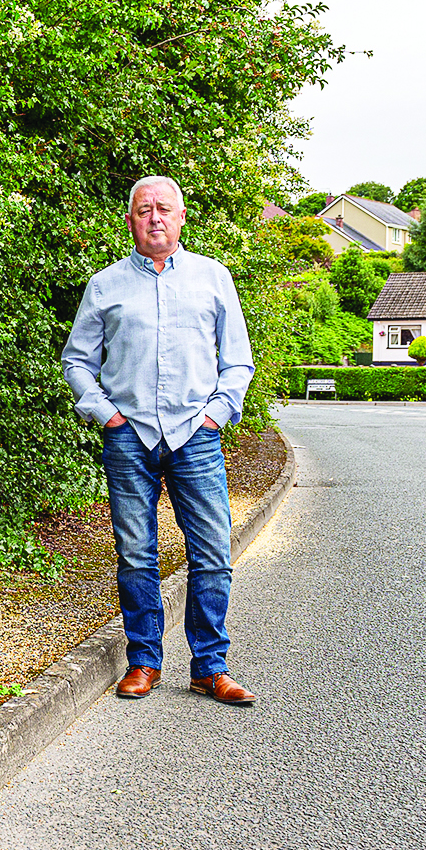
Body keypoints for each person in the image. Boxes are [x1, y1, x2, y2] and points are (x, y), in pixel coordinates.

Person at [61, 175, 257, 705]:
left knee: (213, 552)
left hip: (197, 434)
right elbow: (77, 360)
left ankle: (209, 667)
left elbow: (237, 361)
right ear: (130, 221)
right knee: (136, 555)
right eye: (143, 209)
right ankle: (143, 661)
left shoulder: (214, 279)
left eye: (164, 209)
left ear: (182, 217)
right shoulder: (105, 286)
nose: (154, 218)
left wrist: (216, 415)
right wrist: (105, 414)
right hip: (130, 438)